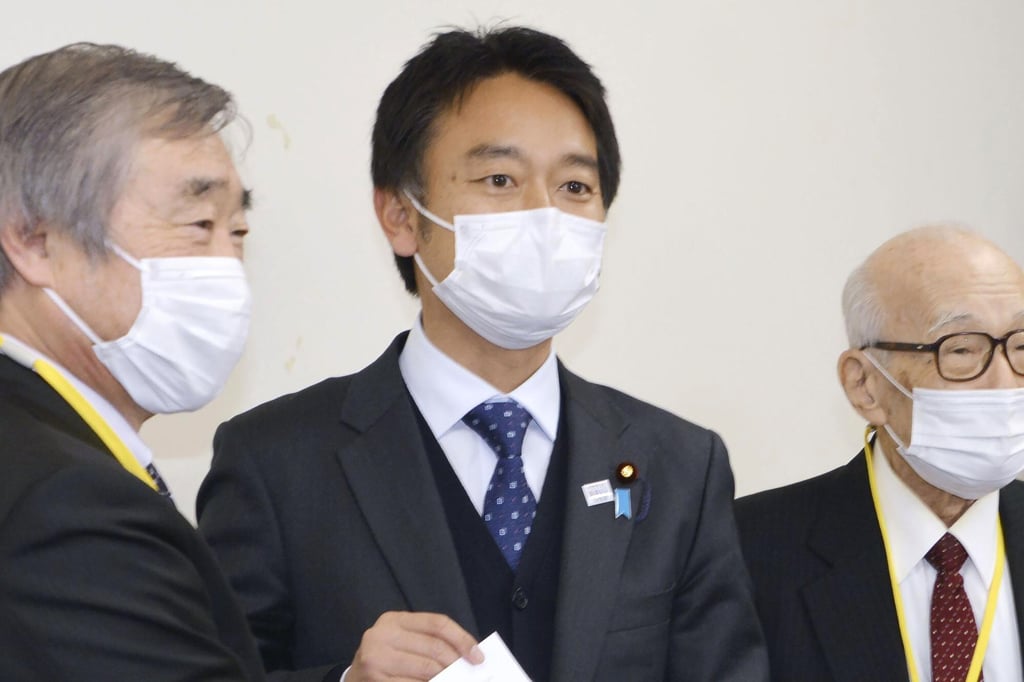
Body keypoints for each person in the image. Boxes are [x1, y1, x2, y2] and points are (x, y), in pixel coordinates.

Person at [197, 25, 768, 682]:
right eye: (500, 178)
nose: (544, 215)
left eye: (575, 187)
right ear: (401, 216)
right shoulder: (275, 462)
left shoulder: (680, 468)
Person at [0, 43, 264, 680]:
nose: (228, 268)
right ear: (36, 241)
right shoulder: (65, 505)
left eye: (239, 232)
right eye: (198, 223)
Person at [736, 226, 1024, 681]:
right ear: (864, 385)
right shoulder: (746, 552)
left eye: (1021, 346)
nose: (1006, 382)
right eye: (962, 349)